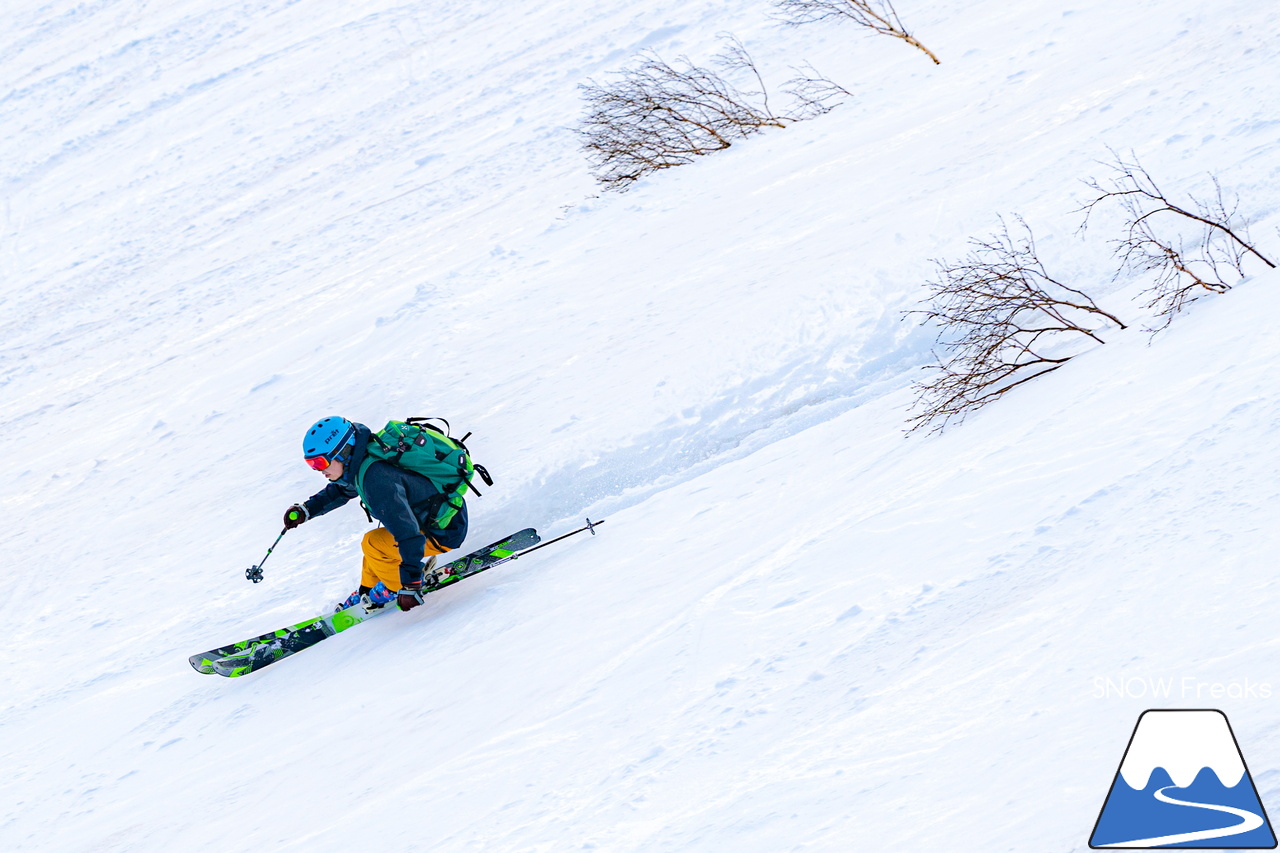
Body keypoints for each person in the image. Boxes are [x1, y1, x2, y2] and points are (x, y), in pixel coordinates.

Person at [283, 416, 469, 612]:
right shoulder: (364, 459)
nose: (318, 470)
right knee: (374, 546)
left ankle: (392, 588)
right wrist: (307, 509)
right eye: (312, 464)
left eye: (320, 462)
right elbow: (341, 490)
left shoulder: (376, 480)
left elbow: (408, 535)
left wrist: (411, 583)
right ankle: (368, 589)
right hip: (433, 519)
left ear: (343, 451)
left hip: (442, 530)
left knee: (373, 544)